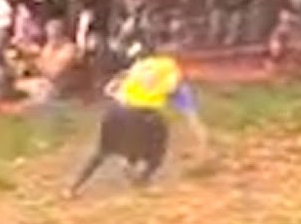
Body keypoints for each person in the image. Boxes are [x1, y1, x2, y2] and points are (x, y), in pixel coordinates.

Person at [68, 41, 208, 198]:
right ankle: (141, 180)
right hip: (145, 115)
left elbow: (111, 88)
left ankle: (73, 187)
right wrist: (201, 143)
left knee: (101, 152)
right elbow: (184, 104)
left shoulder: (140, 66)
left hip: (116, 111)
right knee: (157, 152)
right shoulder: (170, 69)